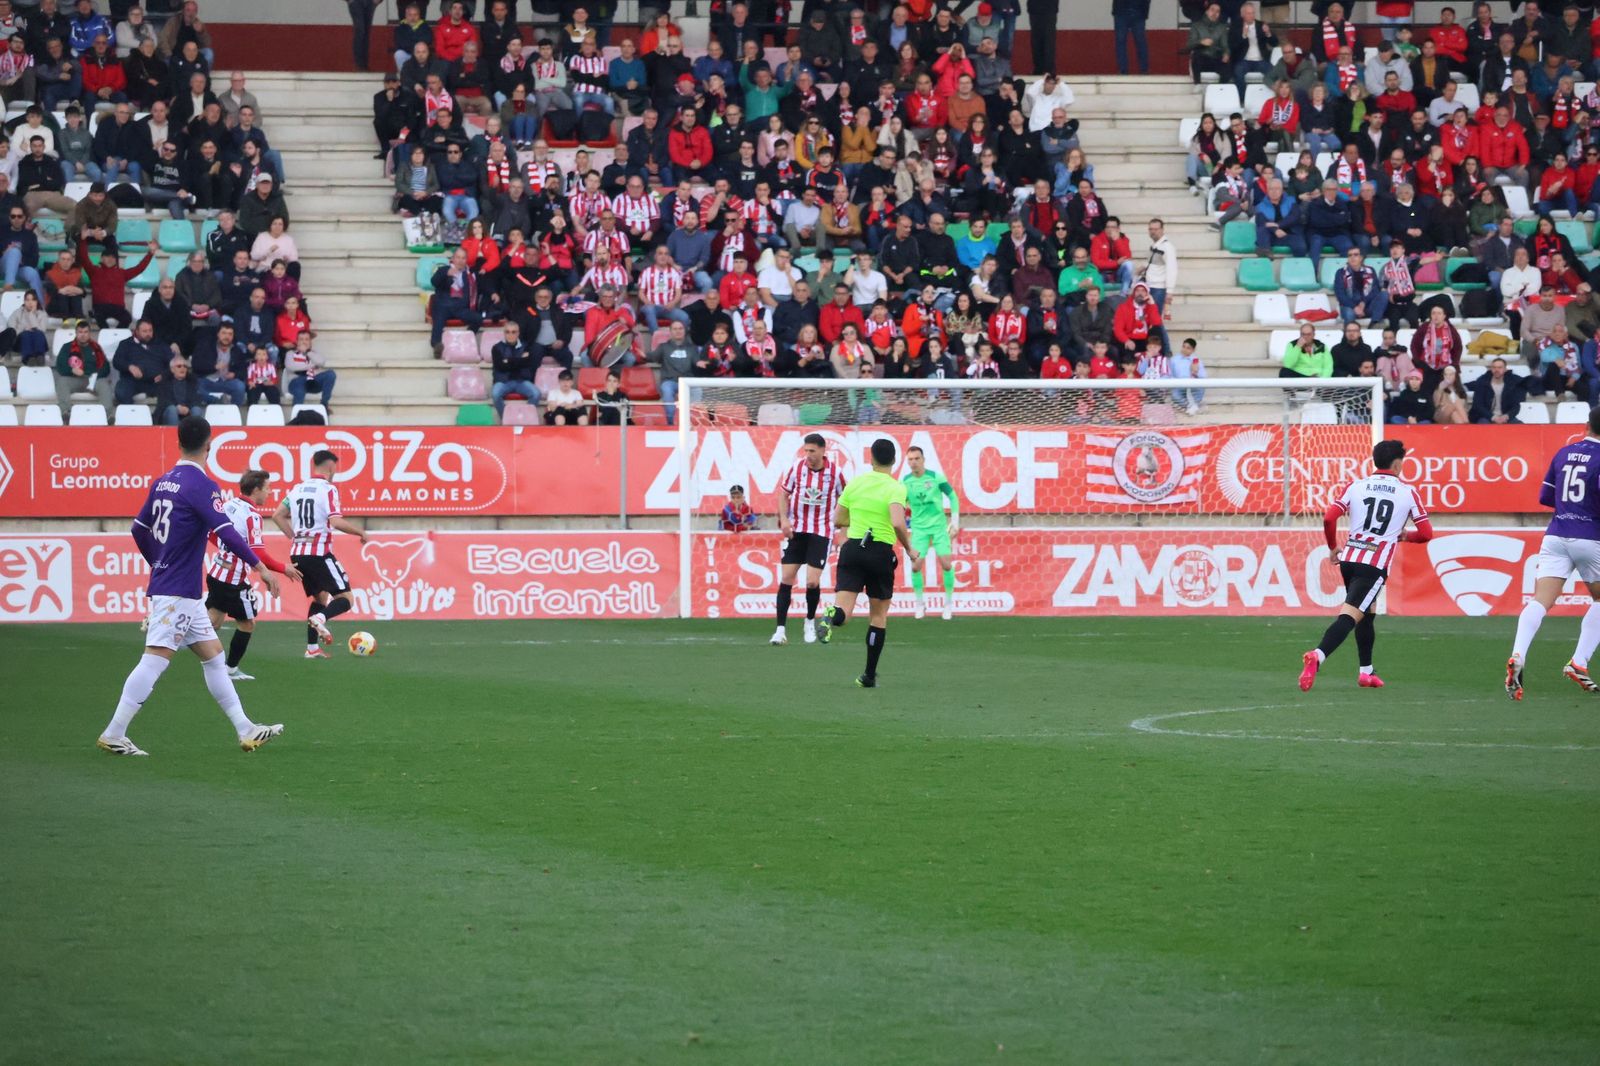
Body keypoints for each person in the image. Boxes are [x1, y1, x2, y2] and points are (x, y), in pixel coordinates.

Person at [96, 416, 286, 756]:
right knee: (155, 659)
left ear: (178, 442)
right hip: (179, 588)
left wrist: (159, 562)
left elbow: (139, 530)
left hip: (179, 586)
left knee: (213, 657)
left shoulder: (163, 481)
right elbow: (227, 532)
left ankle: (246, 729)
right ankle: (114, 732)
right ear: (209, 445)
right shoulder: (202, 485)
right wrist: (260, 567)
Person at [1299, 439, 1434, 692]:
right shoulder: (1407, 491)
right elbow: (1426, 533)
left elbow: (1329, 517)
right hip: (1373, 565)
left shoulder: (1356, 485)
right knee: (1350, 615)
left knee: (1366, 614)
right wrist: (1405, 535)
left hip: (1349, 559)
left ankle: (1366, 672)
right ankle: (1318, 655)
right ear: (1397, 464)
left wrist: (1331, 546)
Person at [1507, 408, 1600, 699]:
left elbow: (1546, 496)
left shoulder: (1564, 453)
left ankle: (1518, 653)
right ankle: (1579, 662)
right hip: (1591, 537)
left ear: (1586, 425)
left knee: (1540, 601)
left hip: (1556, 535)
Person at [814, 437, 919, 689]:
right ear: (895, 461)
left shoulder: (856, 483)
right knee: (878, 616)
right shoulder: (896, 487)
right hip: (879, 552)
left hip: (852, 549)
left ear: (871, 459)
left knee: (844, 614)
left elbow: (838, 519)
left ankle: (831, 615)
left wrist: (859, 519)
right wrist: (909, 548)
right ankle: (868, 676)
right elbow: (896, 521)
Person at [271, 449, 369, 661]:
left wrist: (294, 536)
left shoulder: (297, 489)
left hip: (298, 553)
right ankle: (320, 618)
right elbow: (335, 521)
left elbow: (277, 515)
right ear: (332, 466)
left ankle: (312, 648)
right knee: (346, 598)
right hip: (318, 552)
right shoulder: (328, 489)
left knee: (320, 596)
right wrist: (360, 532)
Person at [206, 469, 300, 681]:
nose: (270, 493)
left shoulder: (228, 505)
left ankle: (172, 629)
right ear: (256, 489)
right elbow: (257, 552)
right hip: (232, 580)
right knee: (246, 624)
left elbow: (211, 532)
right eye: (267, 488)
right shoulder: (251, 515)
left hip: (217, 572)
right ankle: (229, 670)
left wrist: (226, 550)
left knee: (213, 622)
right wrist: (282, 568)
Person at [771, 432, 846, 646]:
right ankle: (780, 630)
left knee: (812, 581)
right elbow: (783, 494)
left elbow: (847, 498)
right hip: (798, 530)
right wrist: (784, 520)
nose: (808, 455)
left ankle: (809, 622)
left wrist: (843, 528)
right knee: (786, 577)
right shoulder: (797, 468)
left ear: (823, 450)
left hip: (821, 531)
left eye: (812, 451)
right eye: (806, 450)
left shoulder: (836, 473)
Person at [901, 445, 959, 620]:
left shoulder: (935, 477)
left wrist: (955, 522)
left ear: (923, 460)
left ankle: (948, 604)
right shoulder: (905, 481)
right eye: (910, 459)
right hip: (919, 529)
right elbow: (900, 502)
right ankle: (920, 604)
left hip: (939, 527)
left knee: (946, 564)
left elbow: (953, 496)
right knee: (916, 565)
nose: (913, 462)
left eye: (917, 458)